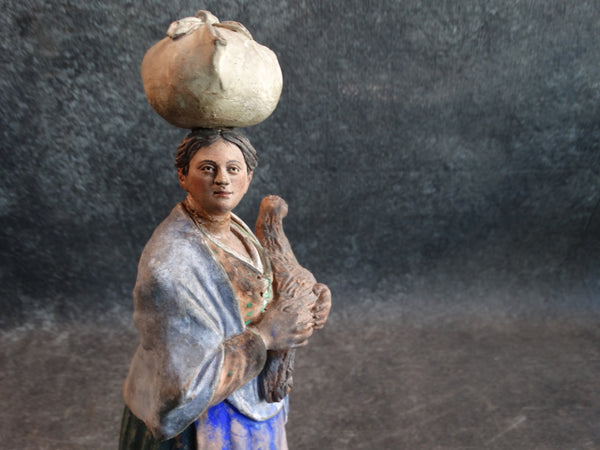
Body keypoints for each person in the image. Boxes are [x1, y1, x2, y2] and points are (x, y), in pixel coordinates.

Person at [119, 128, 331, 449]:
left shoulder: (235, 227)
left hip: (252, 404)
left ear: (248, 177)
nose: (222, 179)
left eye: (233, 168)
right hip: (204, 425)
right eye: (207, 168)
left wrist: (309, 299)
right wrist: (267, 335)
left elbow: (261, 287)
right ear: (182, 175)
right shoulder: (171, 262)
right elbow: (181, 388)